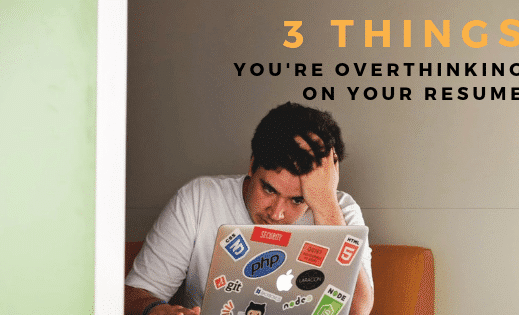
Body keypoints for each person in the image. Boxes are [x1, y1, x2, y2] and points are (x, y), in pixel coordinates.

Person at [125, 102, 374, 315]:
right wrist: (156, 309)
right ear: (252, 165)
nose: (276, 213)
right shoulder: (200, 198)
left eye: (297, 200)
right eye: (269, 189)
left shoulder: (339, 211)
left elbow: (358, 310)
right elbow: (134, 295)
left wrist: (325, 206)